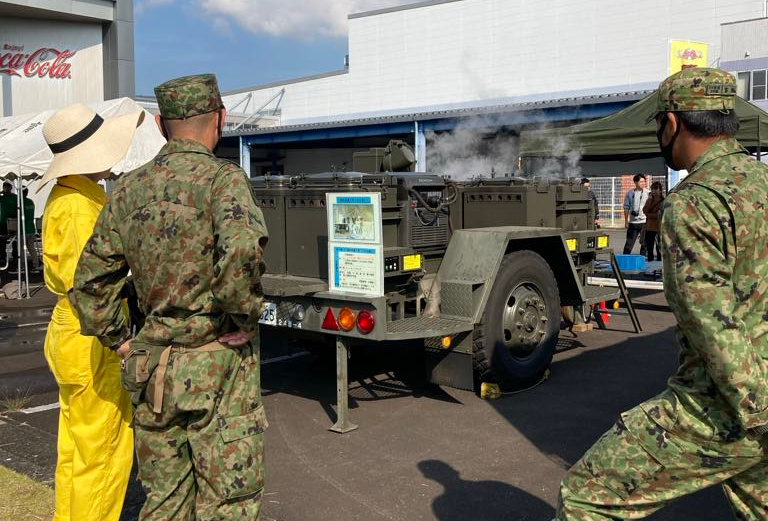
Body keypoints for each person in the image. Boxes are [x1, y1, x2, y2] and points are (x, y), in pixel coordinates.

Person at [555, 68, 768, 520]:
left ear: (672, 123)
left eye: (657, 125)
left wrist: (759, 411)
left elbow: (712, 325)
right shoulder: (760, 181)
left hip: (726, 406)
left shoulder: (694, 202)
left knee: (586, 496)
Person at [71, 74, 269, 520]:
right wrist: (243, 320)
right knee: (228, 502)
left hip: (151, 367)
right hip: (217, 363)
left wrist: (121, 340)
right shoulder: (224, 181)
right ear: (221, 118)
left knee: (164, 502)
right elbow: (241, 251)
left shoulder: (127, 190)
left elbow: (88, 284)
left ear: (161, 125)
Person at [39, 103, 142, 521]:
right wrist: (119, 338)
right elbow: (93, 286)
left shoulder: (67, 196)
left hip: (70, 328)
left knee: (78, 448)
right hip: (91, 332)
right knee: (102, 451)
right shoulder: (81, 208)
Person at [622, 173, 648, 254]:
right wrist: (626, 221)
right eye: (641, 182)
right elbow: (626, 207)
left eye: (644, 181)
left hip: (644, 222)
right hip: (633, 222)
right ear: (635, 182)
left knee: (644, 244)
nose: (643, 183)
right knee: (629, 243)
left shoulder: (648, 193)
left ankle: (642, 260)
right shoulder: (630, 193)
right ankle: (625, 260)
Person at [641, 181, 664, 262]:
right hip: (650, 228)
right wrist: (650, 200)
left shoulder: (664, 201)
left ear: (660, 190)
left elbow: (660, 215)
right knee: (649, 248)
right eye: (652, 189)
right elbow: (644, 211)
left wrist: (649, 215)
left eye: (655, 189)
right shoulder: (650, 200)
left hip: (659, 228)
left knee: (659, 250)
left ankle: (659, 266)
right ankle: (650, 266)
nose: (653, 191)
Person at [21, 188, 40, 271]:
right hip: (31, 228)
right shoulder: (31, 202)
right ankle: (36, 264)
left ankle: (22, 266)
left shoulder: (21, 203)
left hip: (23, 229)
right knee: (31, 248)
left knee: (21, 249)